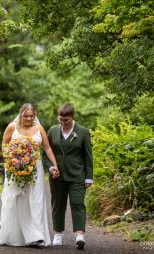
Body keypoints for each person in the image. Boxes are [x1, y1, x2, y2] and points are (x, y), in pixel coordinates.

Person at [0, 103, 60, 247]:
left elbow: (47, 148)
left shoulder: (39, 128)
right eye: (26, 116)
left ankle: (37, 236)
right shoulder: (12, 127)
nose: (29, 118)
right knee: (19, 201)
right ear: (21, 114)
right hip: (16, 168)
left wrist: (54, 165)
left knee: (36, 200)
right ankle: (22, 236)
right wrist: (11, 160)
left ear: (35, 115)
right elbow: (4, 145)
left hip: (36, 169)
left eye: (32, 116)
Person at [44, 104, 93, 250]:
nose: (63, 122)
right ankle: (58, 234)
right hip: (57, 177)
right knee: (57, 205)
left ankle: (79, 235)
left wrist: (89, 177)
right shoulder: (52, 131)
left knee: (78, 203)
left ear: (72, 117)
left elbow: (88, 156)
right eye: (61, 119)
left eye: (66, 120)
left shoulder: (83, 132)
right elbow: (45, 153)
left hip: (77, 175)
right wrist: (51, 168)